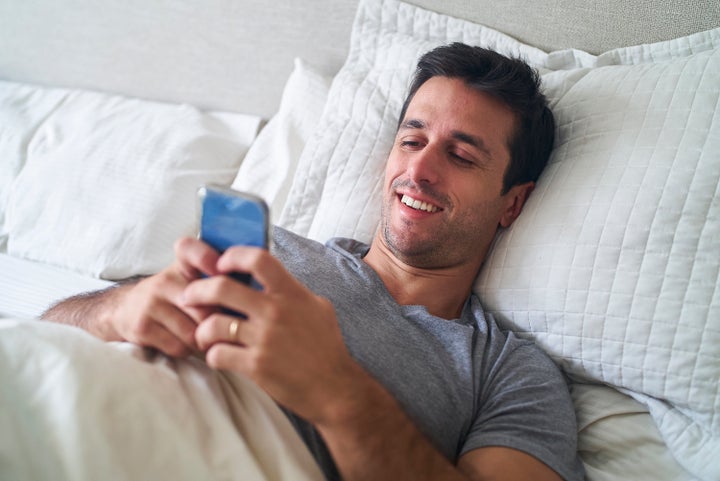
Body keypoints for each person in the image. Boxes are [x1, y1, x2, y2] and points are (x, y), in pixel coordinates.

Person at [43, 43, 585, 481]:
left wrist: (334, 388)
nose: (419, 169)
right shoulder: (269, 250)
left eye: (461, 155)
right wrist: (118, 308)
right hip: (72, 408)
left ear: (511, 202)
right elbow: (49, 330)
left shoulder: (512, 375)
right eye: (412, 139)